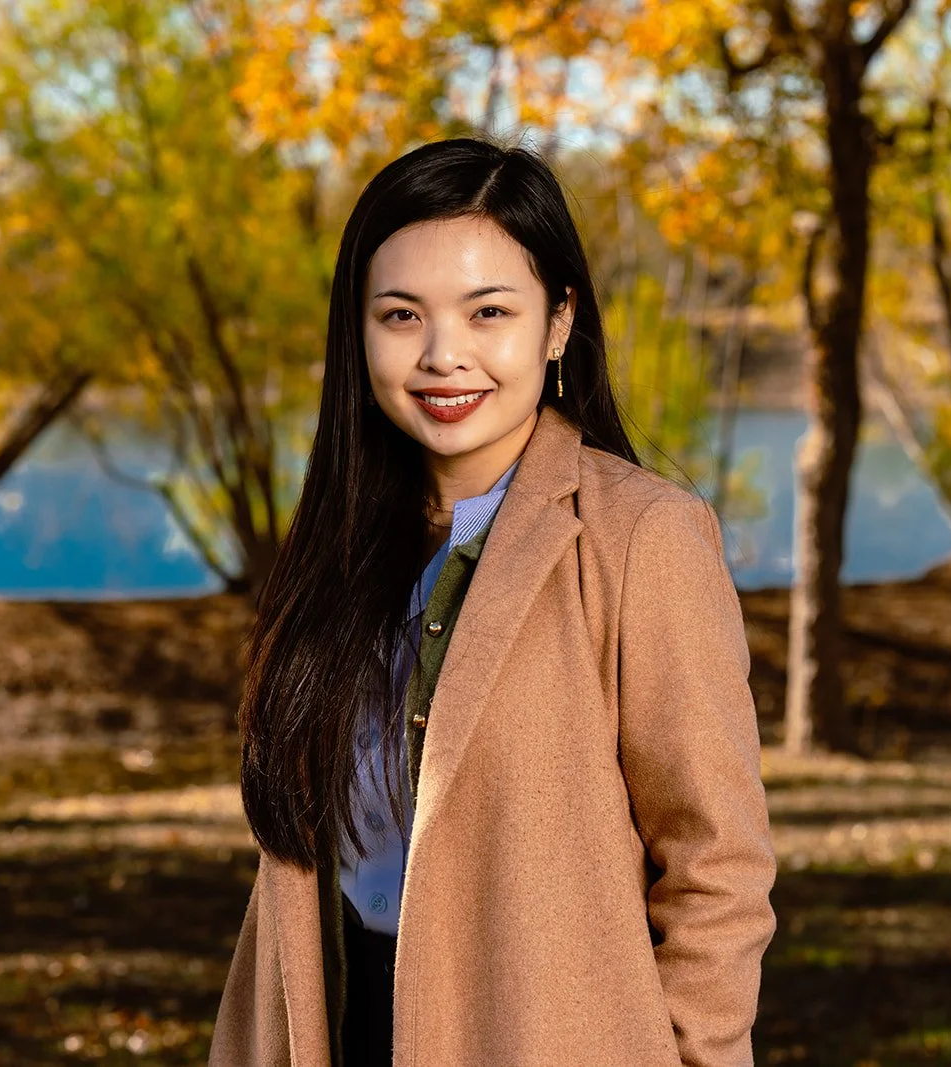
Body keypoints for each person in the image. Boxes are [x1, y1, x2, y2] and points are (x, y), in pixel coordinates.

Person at [208, 136, 776, 1067]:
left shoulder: (642, 537)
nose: (443, 355)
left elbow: (717, 869)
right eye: (401, 315)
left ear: (557, 323)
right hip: (330, 1023)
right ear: (357, 330)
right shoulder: (332, 548)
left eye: (488, 312)